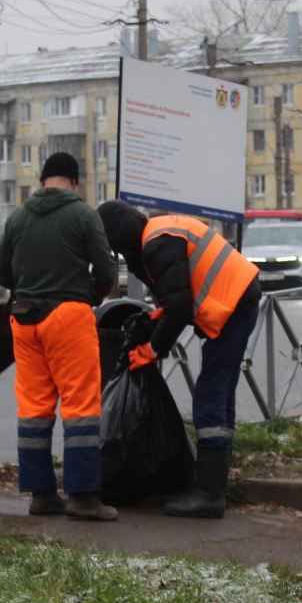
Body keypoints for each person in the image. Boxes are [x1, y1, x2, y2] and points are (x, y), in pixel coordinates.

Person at [96, 200, 261, 519]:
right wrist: (160, 317)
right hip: (236, 300)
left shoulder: (156, 244)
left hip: (232, 306)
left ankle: (210, 494)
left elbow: (180, 309)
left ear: (118, 239)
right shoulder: (159, 231)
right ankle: (214, 485)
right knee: (219, 394)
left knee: (210, 397)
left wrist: (152, 349)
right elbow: (180, 296)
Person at [0, 152, 119, 521]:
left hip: (24, 320)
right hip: (68, 317)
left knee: (34, 407)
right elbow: (107, 270)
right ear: (74, 182)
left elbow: (2, 273)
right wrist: (89, 294)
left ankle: (42, 495)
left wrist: (29, 285)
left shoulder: (18, 218)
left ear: (42, 180)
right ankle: (83, 498)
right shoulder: (83, 214)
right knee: (80, 406)